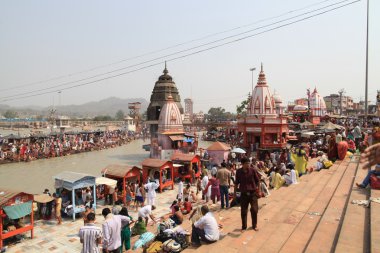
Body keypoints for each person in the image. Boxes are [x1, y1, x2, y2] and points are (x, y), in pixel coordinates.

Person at [234, 157, 260, 231]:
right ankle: (244, 227)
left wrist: (259, 191)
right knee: (243, 211)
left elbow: (258, 181)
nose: (248, 165)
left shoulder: (253, 170)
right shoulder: (238, 172)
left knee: (254, 210)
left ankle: (254, 225)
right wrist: (235, 195)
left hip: (253, 193)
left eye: (248, 163)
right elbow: (236, 184)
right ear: (242, 164)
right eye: (246, 163)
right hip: (244, 194)